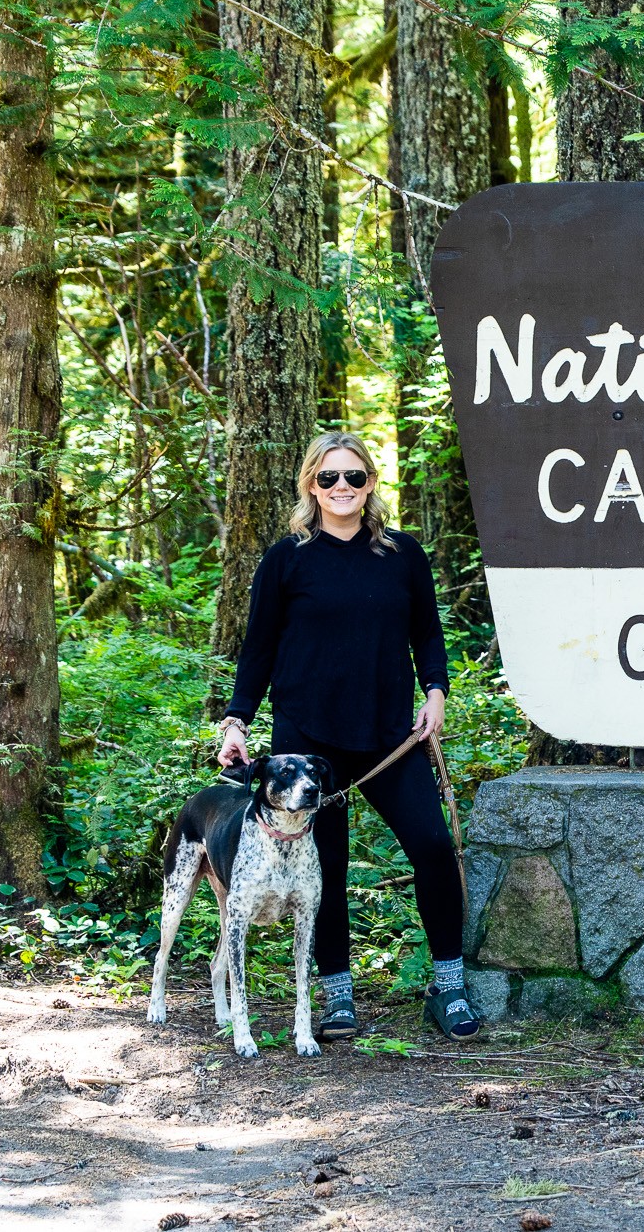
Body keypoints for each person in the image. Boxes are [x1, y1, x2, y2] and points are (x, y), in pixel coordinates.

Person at [216, 431, 479, 1042]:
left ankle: (450, 988)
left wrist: (436, 693)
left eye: (354, 478)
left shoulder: (402, 554)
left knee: (433, 849)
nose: (342, 488)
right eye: (329, 478)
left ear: (370, 486)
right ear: (311, 484)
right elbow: (257, 650)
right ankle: (337, 999)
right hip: (308, 743)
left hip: (391, 736)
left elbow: (428, 635)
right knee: (324, 868)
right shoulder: (287, 559)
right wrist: (237, 720)